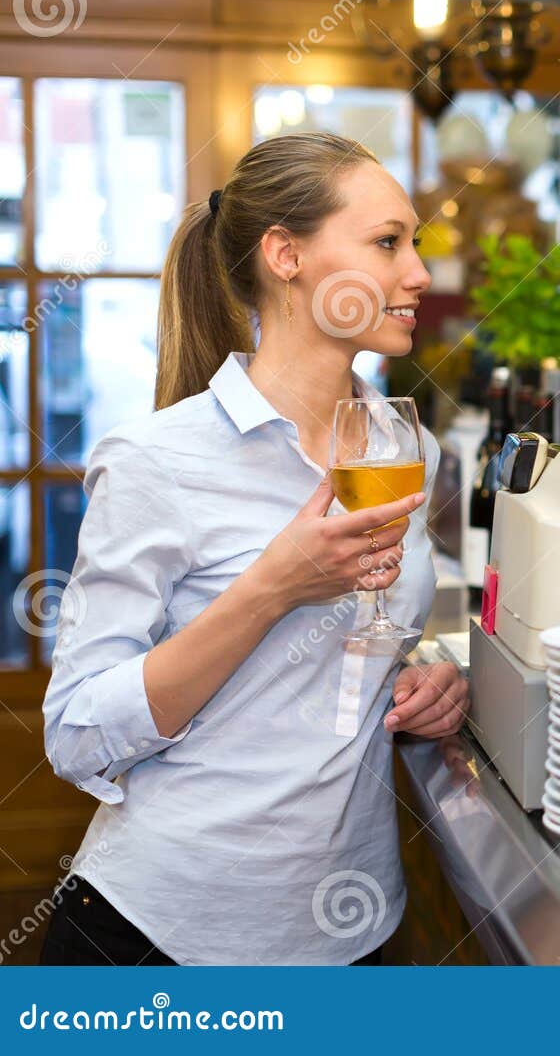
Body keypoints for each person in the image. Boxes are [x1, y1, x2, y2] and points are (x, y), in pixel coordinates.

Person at [39, 132, 467, 966]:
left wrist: (435, 690)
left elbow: (366, 657)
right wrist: (270, 588)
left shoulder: (406, 449)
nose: (418, 273)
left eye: (414, 243)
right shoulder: (156, 461)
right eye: (388, 243)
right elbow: (76, 732)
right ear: (285, 255)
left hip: (357, 927)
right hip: (164, 938)